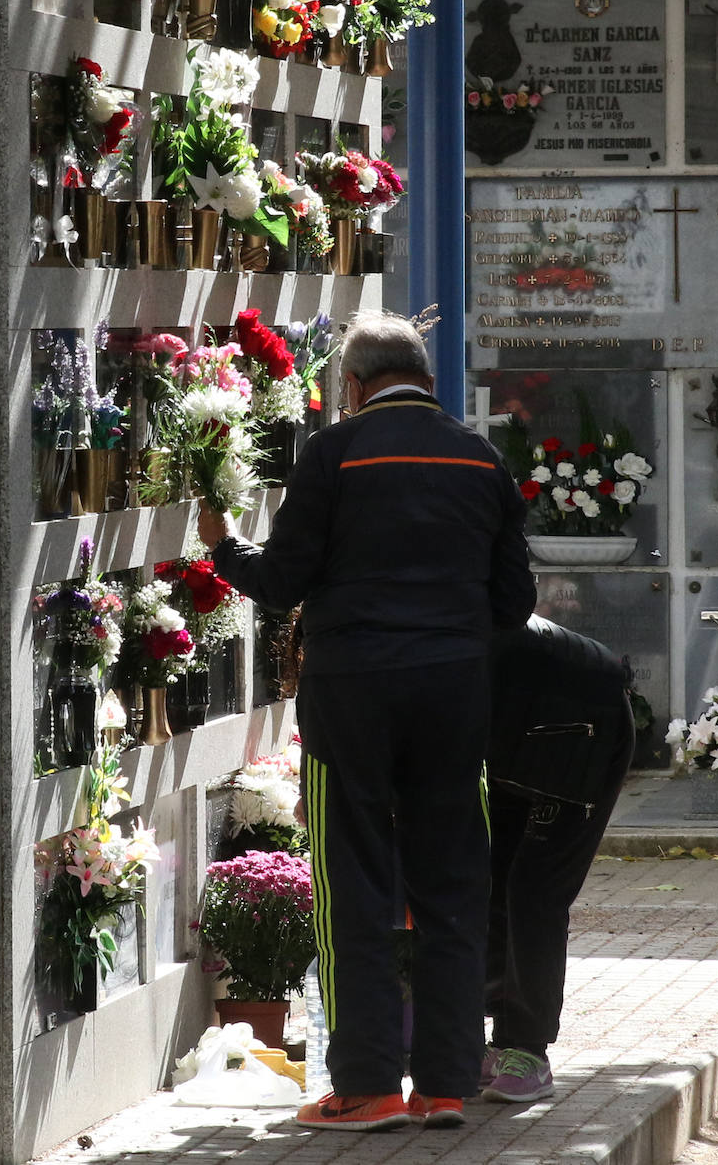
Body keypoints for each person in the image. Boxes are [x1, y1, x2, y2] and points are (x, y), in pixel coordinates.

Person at [198, 310, 536, 1131]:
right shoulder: (482, 458)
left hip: (351, 694)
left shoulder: (335, 453)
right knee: (454, 883)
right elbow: (516, 601)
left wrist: (222, 549)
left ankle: (367, 1083)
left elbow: (283, 580)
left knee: (352, 882)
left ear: (351, 386)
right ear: (424, 378)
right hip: (454, 696)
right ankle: (449, 1083)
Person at [480, 613, 635, 1103]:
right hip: (510, 734)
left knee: (533, 891)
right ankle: (497, 1041)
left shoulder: (435, 623)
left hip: (581, 731)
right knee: (490, 882)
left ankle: (527, 1050)